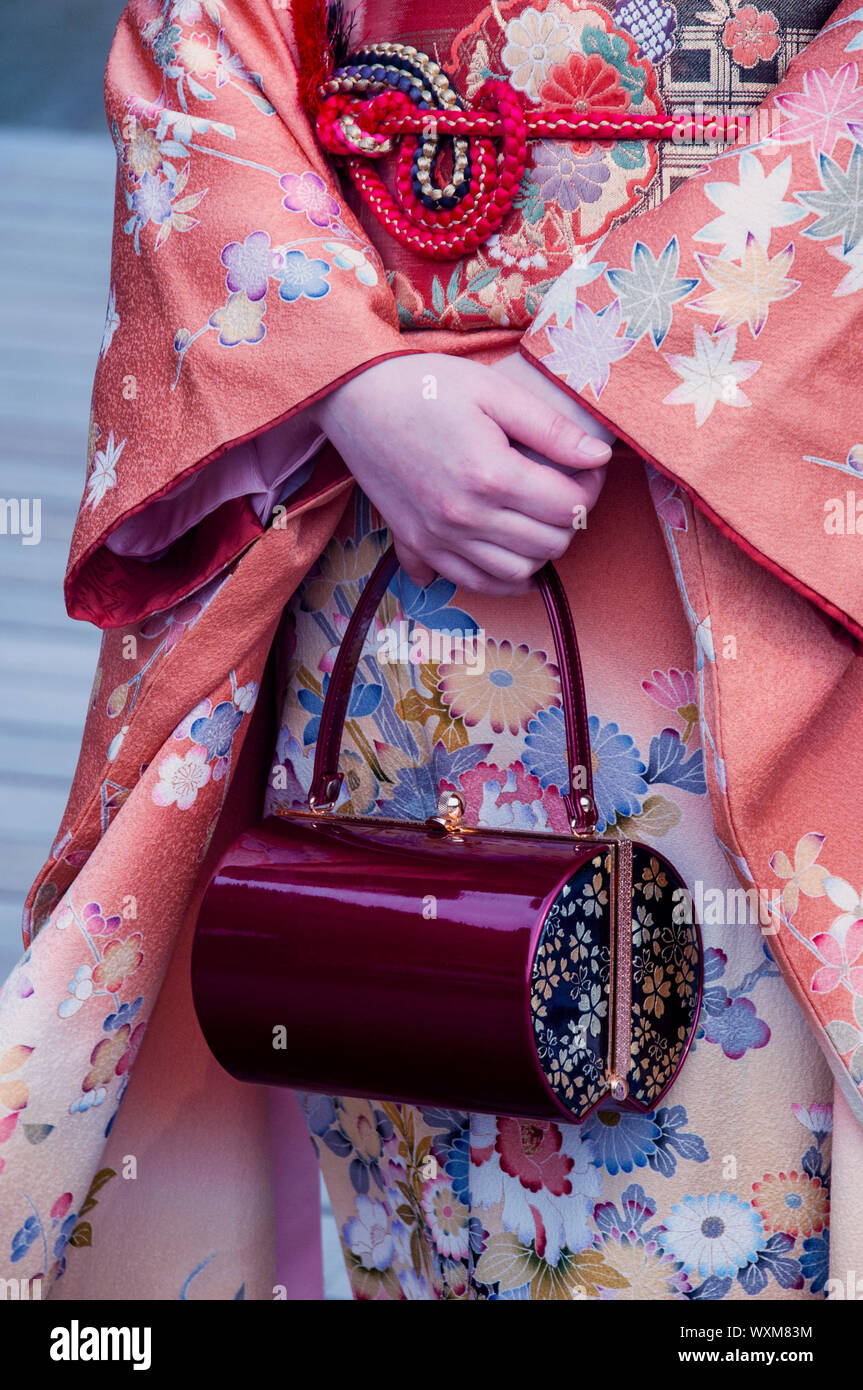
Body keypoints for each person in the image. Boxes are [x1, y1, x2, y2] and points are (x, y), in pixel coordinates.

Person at [0, 0, 861, 1300]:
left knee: (717, 1196)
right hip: (378, 535)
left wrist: (626, 347)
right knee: (406, 1120)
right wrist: (344, 377)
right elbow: (200, 28)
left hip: (715, 508)